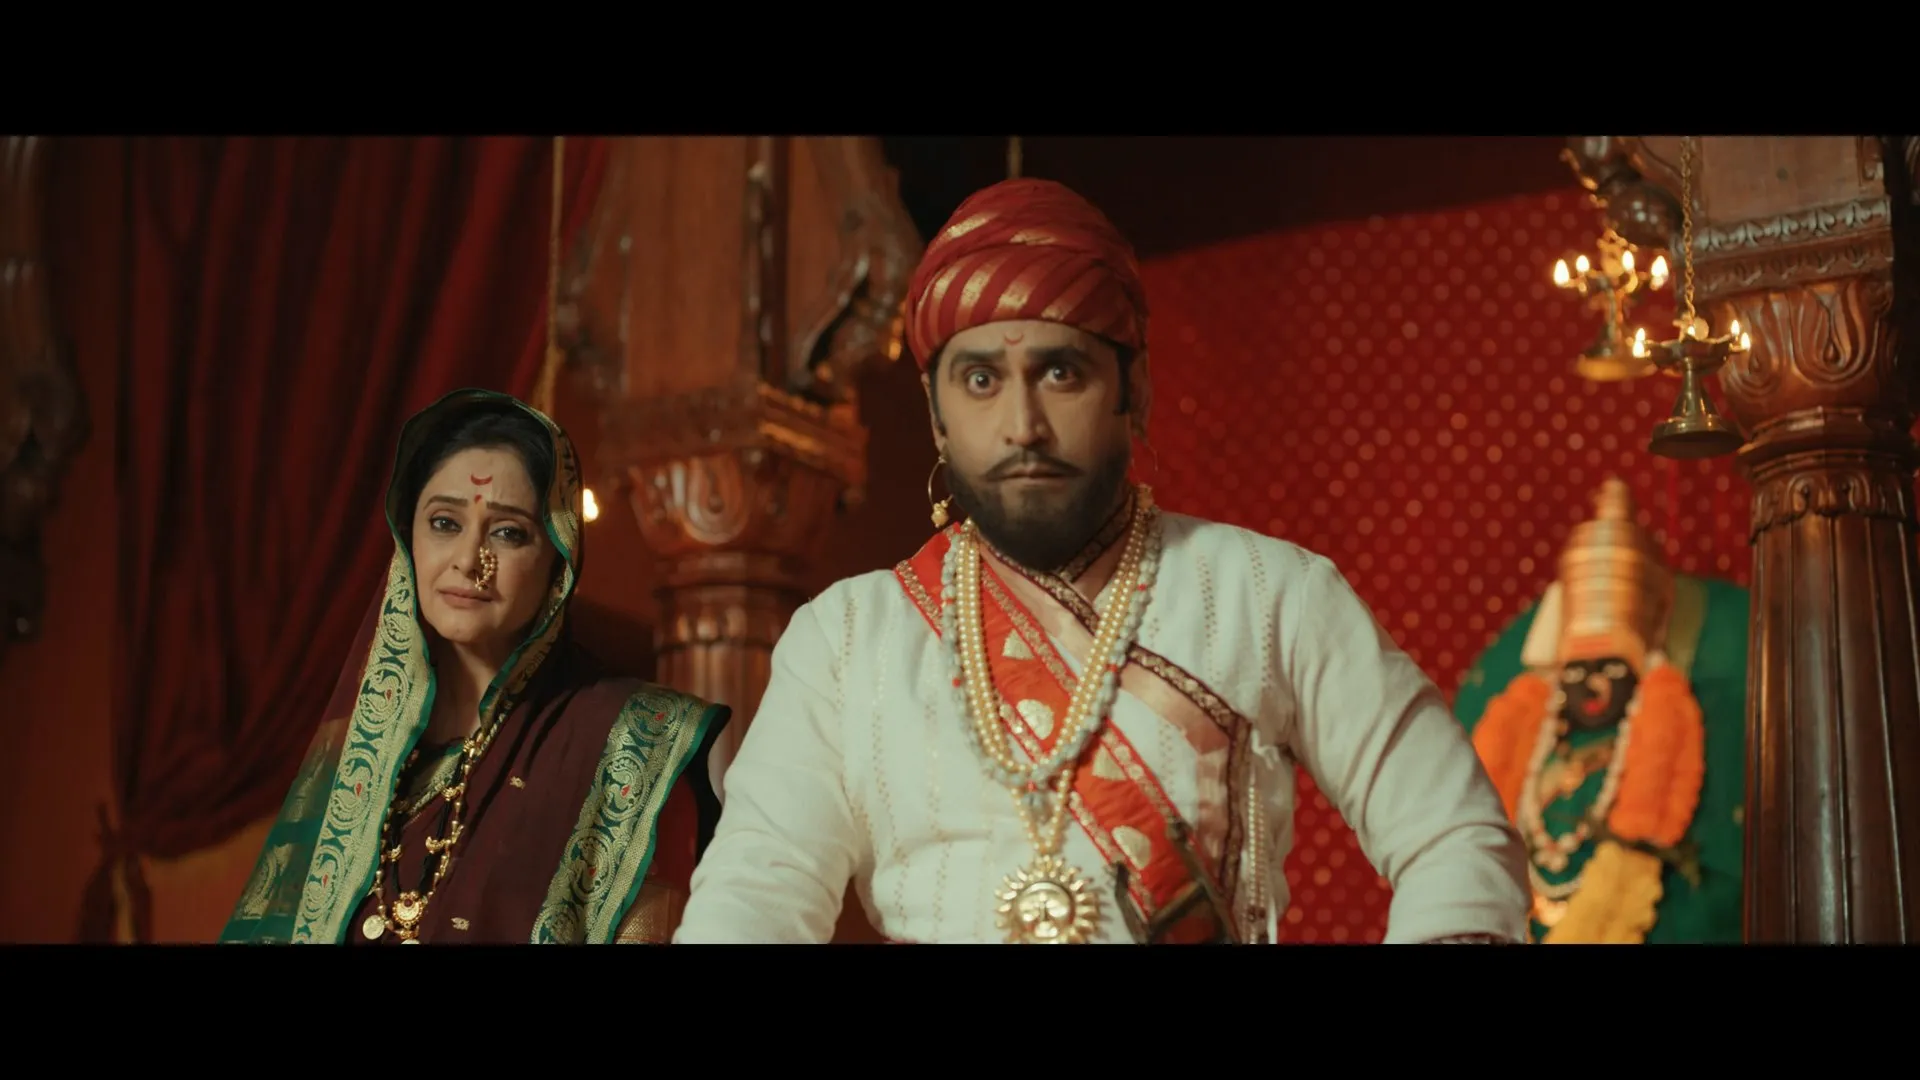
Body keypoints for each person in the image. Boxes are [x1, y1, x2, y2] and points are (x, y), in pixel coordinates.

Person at [675, 178, 1529, 944]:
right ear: (936, 417)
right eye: (981, 381)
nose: (1022, 426)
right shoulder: (845, 637)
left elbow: (1454, 834)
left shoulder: (1274, 594)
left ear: (1135, 390)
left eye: (1060, 373)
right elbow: (755, 895)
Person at [221, 389, 729, 944]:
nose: (469, 560)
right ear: (408, 541)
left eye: (508, 533)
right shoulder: (352, 759)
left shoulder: (635, 741)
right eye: (444, 523)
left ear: (558, 558)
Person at [1453, 478, 1748, 943]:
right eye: (1578, 669)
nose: (1592, 684)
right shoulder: (1522, 720)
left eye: (1610, 667)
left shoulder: (1679, 712)